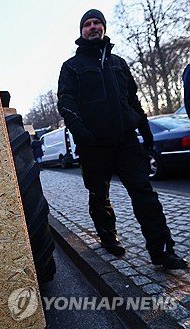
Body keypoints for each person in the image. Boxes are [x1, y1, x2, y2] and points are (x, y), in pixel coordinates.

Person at [57, 9, 187, 269]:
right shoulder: (72, 67)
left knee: (144, 194)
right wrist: (83, 135)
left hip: (126, 141)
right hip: (94, 145)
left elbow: (133, 100)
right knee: (99, 194)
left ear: (103, 28)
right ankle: (108, 236)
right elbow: (66, 104)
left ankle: (162, 251)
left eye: (97, 23)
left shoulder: (119, 63)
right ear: (81, 31)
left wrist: (145, 128)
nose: (93, 27)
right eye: (87, 24)